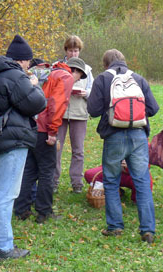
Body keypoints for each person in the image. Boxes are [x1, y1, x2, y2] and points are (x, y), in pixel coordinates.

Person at [0, 35, 47, 260]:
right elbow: (36, 103)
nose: (29, 65)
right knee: (5, 195)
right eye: (28, 61)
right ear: (23, 60)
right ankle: (3, 247)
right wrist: (35, 86)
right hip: (12, 141)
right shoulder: (16, 76)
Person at [87, 49, 159, 243]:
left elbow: (92, 110)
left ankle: (115, 227)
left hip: (114, 135)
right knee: (142, 181)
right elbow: (153, 109)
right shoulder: (138, 78)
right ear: (124, 61)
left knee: (111, 181)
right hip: (138, 135)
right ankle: (148, 230)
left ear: (105, 64)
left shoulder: (102, 79)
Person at [13, 57, 87, 224]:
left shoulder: (47, 72)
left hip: (30, 126)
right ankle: (44, 211)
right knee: (47, 170)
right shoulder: (65, 77)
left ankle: (21, 209)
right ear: (75, 71)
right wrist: (53, 132)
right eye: (79, 76)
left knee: (30, 170)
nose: (76, 81)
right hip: (44, 129)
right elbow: (56, 104)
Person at [53, 35, 94, 194]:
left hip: (79, 113)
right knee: (56, 148)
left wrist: (86, 92)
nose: (73, 54)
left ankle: (77, 182)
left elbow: (93, 90)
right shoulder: (57, 67)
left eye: (76, 50)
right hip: (60, 114)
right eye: (70, 50)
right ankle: (53, 181)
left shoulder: (88, 70)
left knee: (78, 150)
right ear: (66, 50)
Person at [84, 160, 154, 203]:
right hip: (113, 171)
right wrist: (117, 163)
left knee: (143, 194)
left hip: (134, 175)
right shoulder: (115, 137)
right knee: (90, 174)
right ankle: (115, 191)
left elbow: (145, 166)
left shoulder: (142, 140)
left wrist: (131, 165)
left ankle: (135, 198)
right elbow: (108, 159)